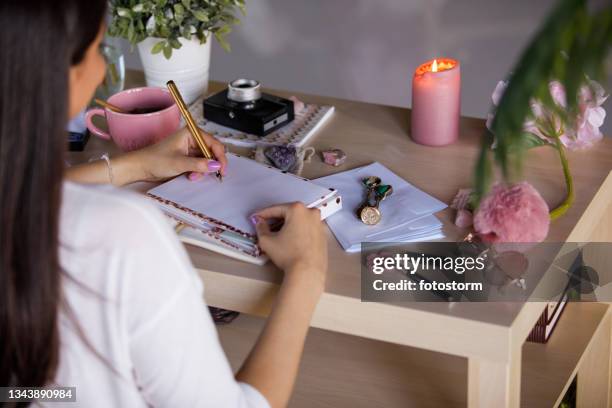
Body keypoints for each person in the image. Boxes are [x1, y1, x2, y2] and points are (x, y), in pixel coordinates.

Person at [0, 1, 327, 407]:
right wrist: (307, 271)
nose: (102, 70)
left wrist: (136, 165)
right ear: (60, 73)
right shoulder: (120, 234)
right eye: (100, 51)